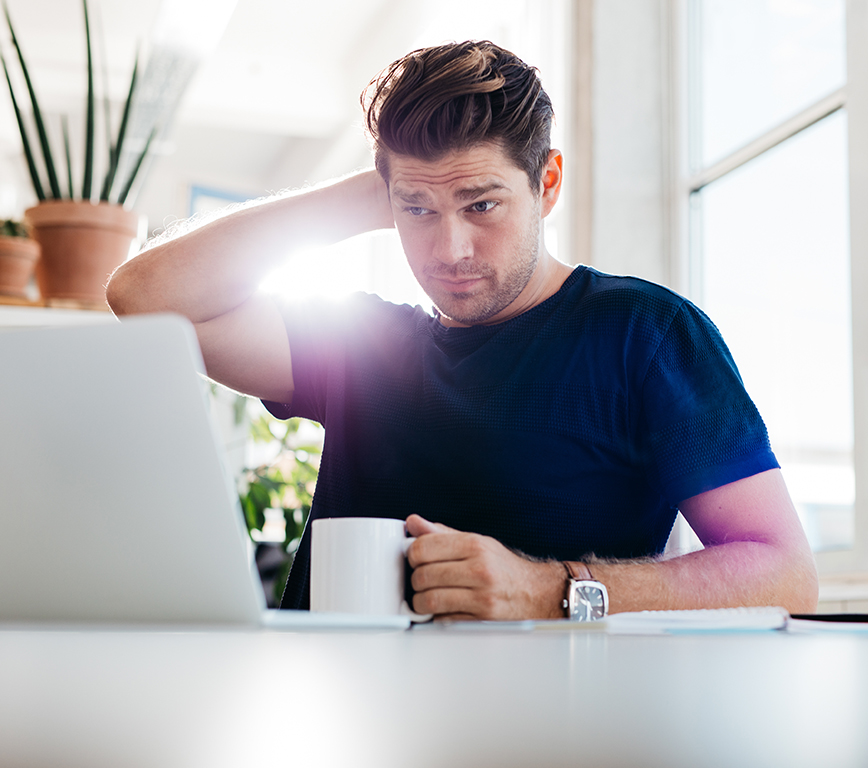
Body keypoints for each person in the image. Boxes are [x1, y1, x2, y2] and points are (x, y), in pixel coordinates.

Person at [106, 40, 818, 620]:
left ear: (547, 184)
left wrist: (549, 590)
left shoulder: (645, 333)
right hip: (326, 722)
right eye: (417, 211)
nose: (449, 250)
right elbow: (143, 294)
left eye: (481, 204)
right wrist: (378, 191)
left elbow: (785, 575)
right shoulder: (362, 344)